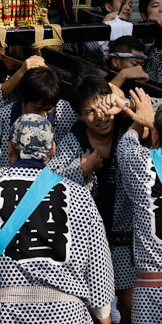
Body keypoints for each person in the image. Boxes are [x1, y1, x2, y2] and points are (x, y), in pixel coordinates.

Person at [0, 111, 115, 324]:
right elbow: (98, 268)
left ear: (10, 149)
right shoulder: (80, 195)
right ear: (53, 151)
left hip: (5, 314)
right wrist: (103, 316)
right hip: (67, 314)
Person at [48, 75, 135, 323]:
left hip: (127, 243)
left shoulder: (130, 133)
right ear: (78, 114)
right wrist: (81, 169)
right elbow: (49, 183)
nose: (100, 116)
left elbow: (156, 108)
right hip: (86, 247)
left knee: (131, 308)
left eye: (104, 107)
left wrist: (126, 104)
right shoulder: (72, 143)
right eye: (90, 111)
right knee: (96, 313)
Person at [115, 89, 162, 324]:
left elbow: (126, 144)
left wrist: (140, 123)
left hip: (151, 288)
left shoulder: (140, 161)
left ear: (154, 137)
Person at [0, 66, 76, 166]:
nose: (43, 116)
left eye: (48, 110)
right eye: (37, 109)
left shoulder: (69, 113)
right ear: (23, 98)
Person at [138, 0, 162, 83]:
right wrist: (148, 25)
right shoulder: (139, 34)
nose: (161, 10)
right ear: (144, 15)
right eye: (156, 6)